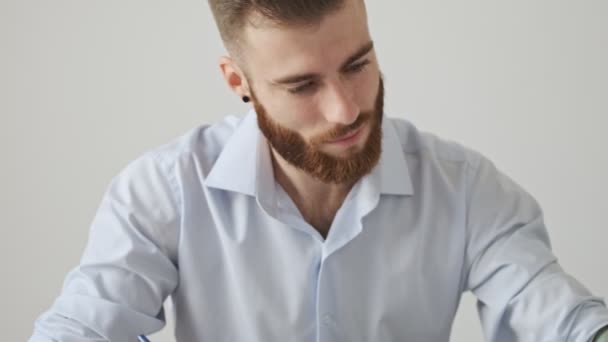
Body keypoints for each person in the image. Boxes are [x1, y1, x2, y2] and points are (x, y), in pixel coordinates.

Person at [29, 0, 608, 341]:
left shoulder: (465, 188)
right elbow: (81, 327)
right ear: (239, 83)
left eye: (358, 64)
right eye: (302, 84)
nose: (346, 109)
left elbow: (556, 314)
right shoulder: (163, 192)